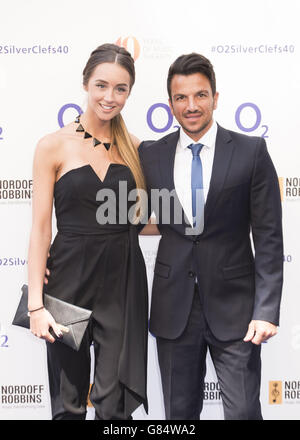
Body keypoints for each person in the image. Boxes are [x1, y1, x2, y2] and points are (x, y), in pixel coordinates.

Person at [139, 53, 283, 420]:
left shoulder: (251, 152)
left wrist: (266, 311)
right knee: (179, 417)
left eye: (200, 95)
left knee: (244, 413)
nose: (191, 106)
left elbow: (268, 238)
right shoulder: (150, 155)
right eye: (181, 97)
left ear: (216, 98)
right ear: (170, 103)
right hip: (174, 311)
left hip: (237, 312)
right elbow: (130, 219)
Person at [27, 43, 148, 420]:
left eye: (120, 89)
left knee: (114, 409)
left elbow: (150, 218)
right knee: (68, 405)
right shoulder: (52, 146)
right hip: (68, 286)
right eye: (101, 85)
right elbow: (41, 228)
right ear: (85, 82)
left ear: (129, 92)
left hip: (123, 288)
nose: (109, 97)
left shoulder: (137, 150)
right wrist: (35, 304)